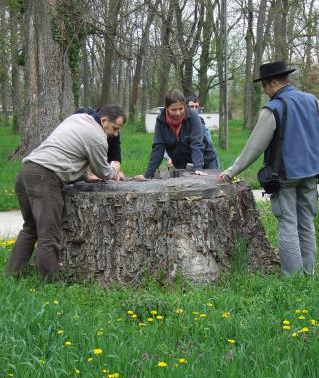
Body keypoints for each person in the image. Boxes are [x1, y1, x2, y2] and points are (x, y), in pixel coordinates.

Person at [220, 61, 319, 276]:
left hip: (284, 175)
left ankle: (293, 278)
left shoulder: (273, 108)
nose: (265, 92)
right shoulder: (313, 101)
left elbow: (254, 147)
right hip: (312, 173)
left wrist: (231, 171)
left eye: (265, 86)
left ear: (273, 83)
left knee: (288, 224)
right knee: (307, 223)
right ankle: (309, 274)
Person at [7, 104, 126, 281]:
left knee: (30, 228)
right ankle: (51, 285)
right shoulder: (97, 136)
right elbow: (103, 171)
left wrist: (86, 176)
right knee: (48, 236)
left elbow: (66, 152)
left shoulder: (77, 119)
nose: (115, 134)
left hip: (26, 172)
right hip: (45, 178)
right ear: (103, 121)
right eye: (115, 128)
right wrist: (115, 170)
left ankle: (11, 276)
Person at [135, 89, 218, 181]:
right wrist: (148, 174)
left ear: (185, 106)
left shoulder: (193, 116)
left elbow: (197, 143)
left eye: (181, 108)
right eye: (174, 110)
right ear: (166, 108)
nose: (178, 113)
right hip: (181, 165)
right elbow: (158, 147)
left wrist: (198, 167)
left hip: (205, 160)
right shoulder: (161, 121)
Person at [74, 107, 125, 182]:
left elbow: (115, 154)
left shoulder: (112, 129)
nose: (116, 133)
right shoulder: (86, 125)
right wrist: (89, 172)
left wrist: (116, 170)